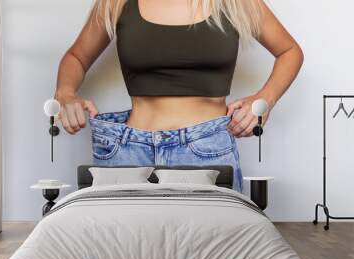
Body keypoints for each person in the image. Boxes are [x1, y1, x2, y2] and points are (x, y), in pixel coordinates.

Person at [54, 0, 304, 193]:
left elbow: (289, 51)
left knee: (217, 253)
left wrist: (264, 101)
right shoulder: (116, 2)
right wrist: (65, 94)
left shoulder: (234, 2)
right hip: (128, 152)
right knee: (120, 252)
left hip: (207, 150)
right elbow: (76, 57)